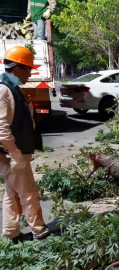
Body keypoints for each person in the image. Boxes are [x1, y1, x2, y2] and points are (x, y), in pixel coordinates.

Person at [0, 46, 49, 243]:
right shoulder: (4, 90)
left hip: (14, 152)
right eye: (28, 69)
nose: (30, 73)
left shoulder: (13, 87)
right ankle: (39, 231)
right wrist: (15, 153)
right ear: (17, 67)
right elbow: (1, 127)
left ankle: (11, 233)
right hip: (12, 153)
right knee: (28, 191)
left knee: (12, 192)